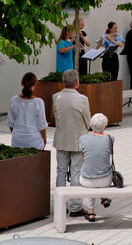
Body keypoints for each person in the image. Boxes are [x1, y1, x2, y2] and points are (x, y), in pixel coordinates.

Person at [53, 69, 91, 218]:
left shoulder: (56, 97)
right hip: (77, 139)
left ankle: (60, 204)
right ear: (77, 82)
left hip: (61, 138)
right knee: (76, 172)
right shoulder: (82, 99)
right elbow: (88, 122)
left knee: (61, 171)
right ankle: (75, 206)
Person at [79, 113, 114, 223]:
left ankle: (90, 212)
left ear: (91, 124)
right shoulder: (110, 139)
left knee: (89, 180)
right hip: (105, 180)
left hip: (87, 180)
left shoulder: (83, 138)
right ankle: (103, 197)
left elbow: (83, 157)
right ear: (105, 126)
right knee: (99, 173)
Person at [7, 72, 48, 150]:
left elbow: (10, 123)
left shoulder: (13, 100)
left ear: (22, 83)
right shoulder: (39, 102)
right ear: (35, 85)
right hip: (34, 141)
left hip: (17, 140)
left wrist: (17, 134)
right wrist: (44, 140)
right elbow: (41, 124)